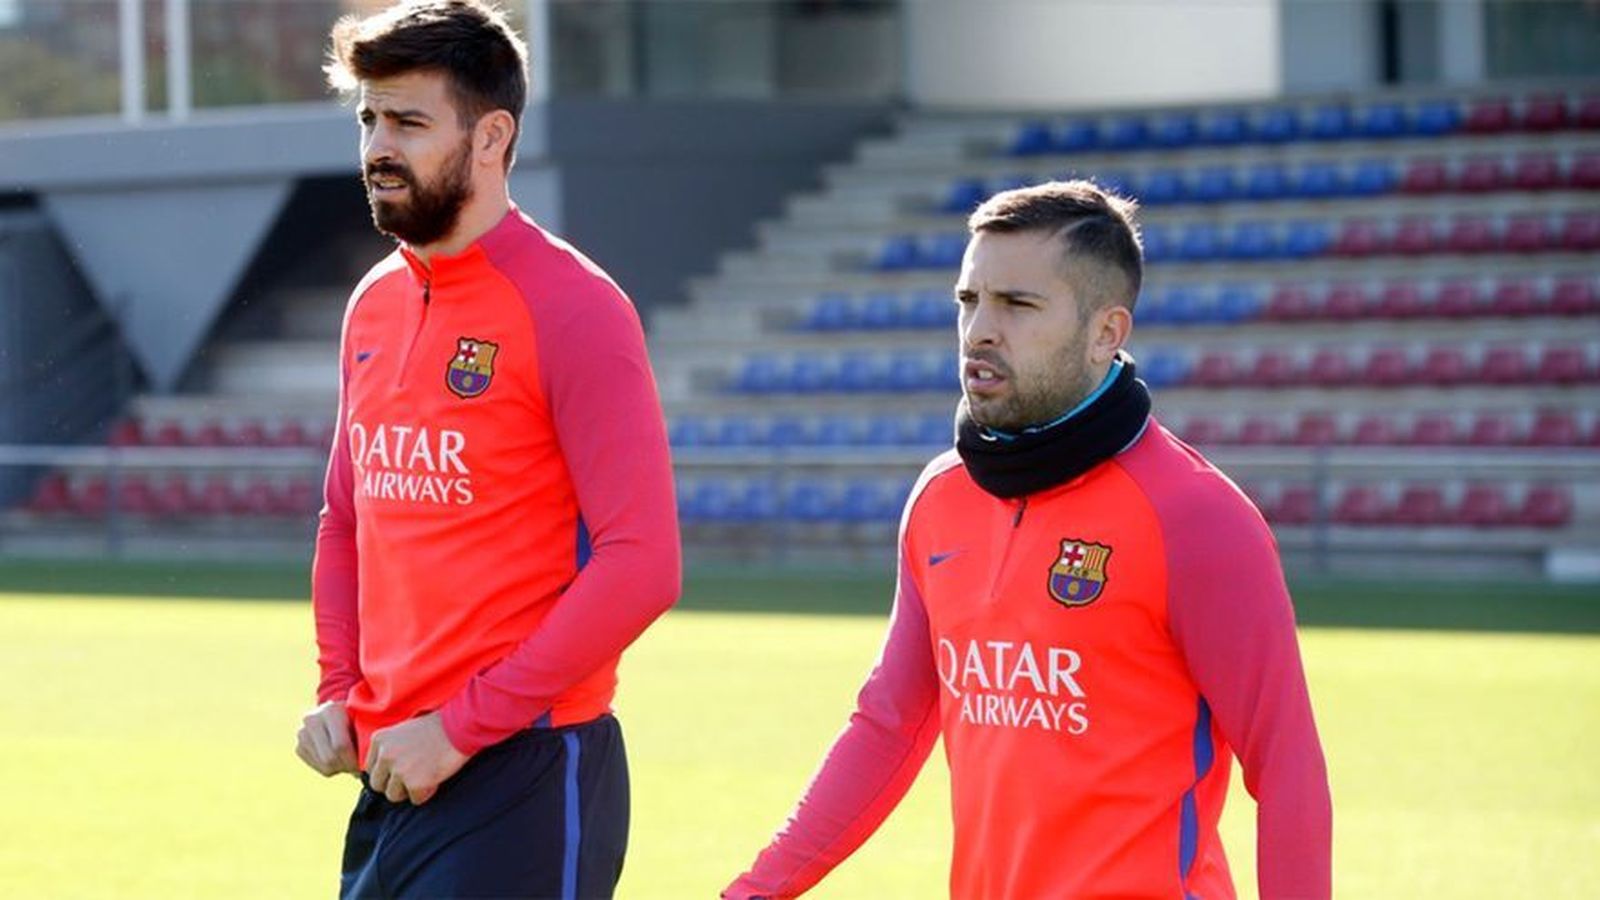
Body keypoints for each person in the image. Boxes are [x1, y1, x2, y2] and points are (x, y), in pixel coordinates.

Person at [725, 180, 1331, 899]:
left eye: (1017, 304)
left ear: (1106, 333)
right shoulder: (941, 498)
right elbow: (887, 726)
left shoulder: (1198, 517)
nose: (980, 330)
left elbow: (1287, 767)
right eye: (969, 299)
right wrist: (755, 891)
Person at [292, 2, 680, 897]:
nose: (377, 147)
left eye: (409, 122)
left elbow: (642, 564)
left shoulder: (576, 308)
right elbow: (346, 521)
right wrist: (339, 686)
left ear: (492, 136)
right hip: (393, 771)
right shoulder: (373, 303)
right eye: (368, 119)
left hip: (527, 774)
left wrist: (461, 728)